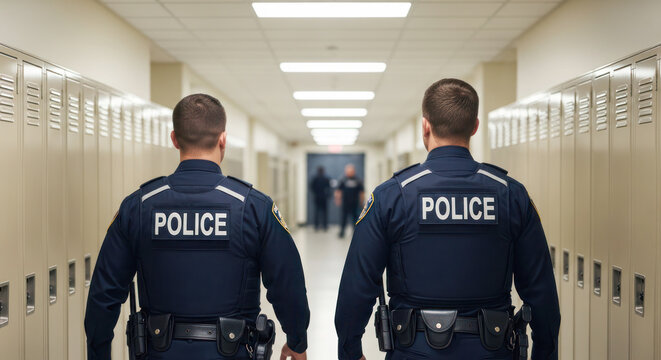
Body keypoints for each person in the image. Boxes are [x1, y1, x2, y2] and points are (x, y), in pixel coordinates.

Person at [334, 79, 560, 360]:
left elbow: (358, 283)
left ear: (425, 126)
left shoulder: (392, 196)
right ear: (475, 127)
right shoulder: (510, 194)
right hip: (493, 349)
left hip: (413, 350)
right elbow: (540, 289)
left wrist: (350, 351)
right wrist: (545, 353)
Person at [84, 94, 309, 360]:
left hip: (157, 352)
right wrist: (297, 341)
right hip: (233, 351)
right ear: (222, 138)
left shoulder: (138, 207)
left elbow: (104, 295)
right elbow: (287, 283)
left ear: (174, 139)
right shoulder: (253, 207)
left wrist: (98, 354)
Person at [335, 164, 364, 238]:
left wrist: (362, 201)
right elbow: (338, 190)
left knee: (355, 218)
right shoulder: (343, 179)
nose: (349, 172)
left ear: (353, 171)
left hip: (355, 203)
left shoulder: (358, 180)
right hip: (345, 202)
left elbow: (361, 192)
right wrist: (338, 199)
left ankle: (355, 233)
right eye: (348, 171)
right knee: (343, 218)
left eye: (351, 171)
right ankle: (342, 232)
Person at [310, 166, 331, 231]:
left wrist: (316, 193)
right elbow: (329, 188)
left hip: (317, 197)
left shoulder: (315, 178)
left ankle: (316, 226)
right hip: (323, 198)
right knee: (324, 212)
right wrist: (327, 195)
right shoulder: (326, 178)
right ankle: (325, 226)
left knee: (317, 212)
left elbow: (311, 187)